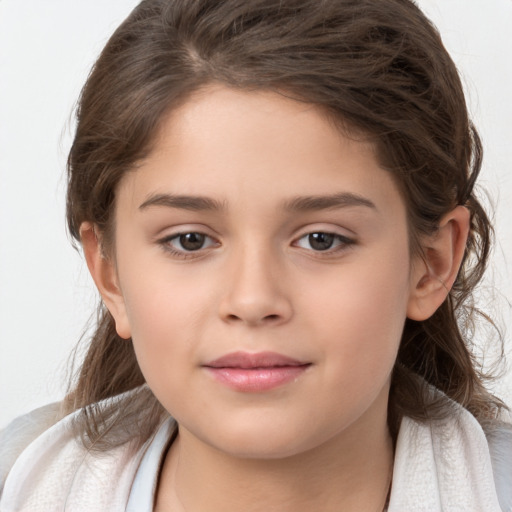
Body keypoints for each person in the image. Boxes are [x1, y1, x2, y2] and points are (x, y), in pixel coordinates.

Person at [0, 0, 510, 510]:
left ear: (431, 264)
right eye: (190, 240)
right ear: (110, 275)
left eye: (321, 239)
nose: (252, 299)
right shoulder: (19, 484)